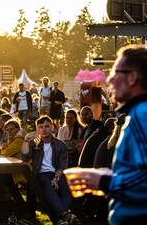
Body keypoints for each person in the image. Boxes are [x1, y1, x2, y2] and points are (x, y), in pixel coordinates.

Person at [65, 45, 147, 225]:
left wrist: (103, 181)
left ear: (132, 78)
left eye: (116, 72)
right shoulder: (136, 115)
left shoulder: (142, 115)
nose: (109, 79)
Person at [21, 116, 74, 225]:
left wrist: (56, 178)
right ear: (37, 130)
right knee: (47, 184)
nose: (44, 129)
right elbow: (25, 158)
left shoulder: (60, 145)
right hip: (41, 174)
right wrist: (26, 140)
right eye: (40, 127)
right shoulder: (34, 143)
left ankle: (61, 218)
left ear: (53, 128)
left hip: (56, 173)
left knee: (65, 185)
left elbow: (62, 165)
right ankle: (64, 215)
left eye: (47, 126)